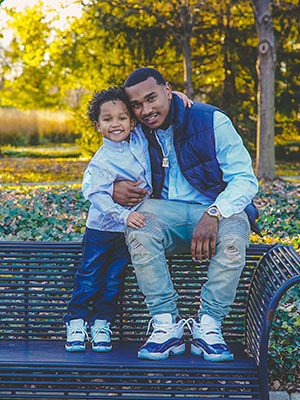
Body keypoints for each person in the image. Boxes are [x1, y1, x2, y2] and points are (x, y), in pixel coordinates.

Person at [112, 67, 260, 362]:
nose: (146, 110)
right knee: (139, 228)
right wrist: (113, 188)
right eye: (137, 105)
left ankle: (209, 327)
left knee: (234, 237)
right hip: (166, 213)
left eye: (152, 98)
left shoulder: (211, 120)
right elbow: (106, 149)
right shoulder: (135, 128)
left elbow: (244, 179)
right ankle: (166, 326)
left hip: (217, 207)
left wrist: (215, 211)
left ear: (168, 89)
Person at [64, 86, 152, 352]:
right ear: (97, 125)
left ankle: (101, 322)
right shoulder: (102, 160)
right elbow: (96, 195)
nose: (116, 123)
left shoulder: (137, 140)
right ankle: (76, 321)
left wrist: (180, 97)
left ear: (132, 122)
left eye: (122, 117)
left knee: (114, 280)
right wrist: (124, 215)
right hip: (102, 231)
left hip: (125, 233)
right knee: (90, 276)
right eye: (108, 119)